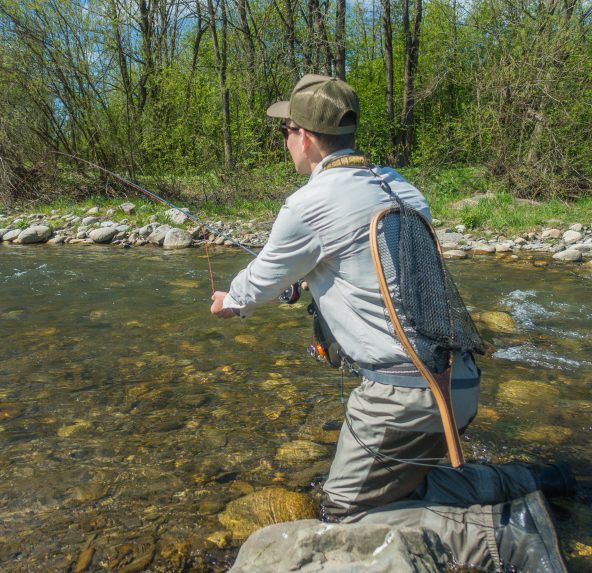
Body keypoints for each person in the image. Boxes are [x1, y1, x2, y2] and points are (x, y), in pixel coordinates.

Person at [210, 74, 572, 572]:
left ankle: (501, 539)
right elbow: (375, 273)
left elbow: (251, 290)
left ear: (306, 137)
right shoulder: (402, 186)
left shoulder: (308, 205)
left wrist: (228, 300)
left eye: (286, 131)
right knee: (407, 483)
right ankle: (529, 481)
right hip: (456, 378)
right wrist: (303, 282)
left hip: (402, 396)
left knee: (347, 514)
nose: (286, 142)